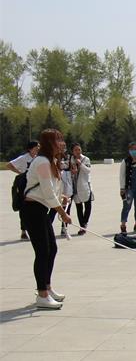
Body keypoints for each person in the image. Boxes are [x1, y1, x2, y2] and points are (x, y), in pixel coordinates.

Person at [19, 129, 72, 309]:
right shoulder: (42, 161)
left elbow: (49, 189)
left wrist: (61, 197)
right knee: (42, 251)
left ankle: (47, 288)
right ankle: (42, 294)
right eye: (58, 140)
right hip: (33, 210)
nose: (62, 143)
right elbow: (47, 192)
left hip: (41, 209)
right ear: (50, 143)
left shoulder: (51, 161)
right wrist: (63, 213)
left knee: (51, 249)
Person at [7, 140, 39, 240]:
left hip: (35, 185)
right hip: (24, 185)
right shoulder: (24, 158)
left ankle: (34, 229)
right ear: (30, 149)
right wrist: (20, 173)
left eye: (39, 147)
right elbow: (9, 165)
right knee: (23, 208)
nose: (38, 149)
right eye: (36, 147)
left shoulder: (38, 158)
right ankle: (24, 231)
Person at [119, 142, 136, 234]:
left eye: (135, 149)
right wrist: (122, 188)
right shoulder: (125, 161)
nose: (133, 151)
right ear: (129, 150)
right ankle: (123, 225)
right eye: (131, 149)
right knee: (126, 206)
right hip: (129, 188)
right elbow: (122, 175)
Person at [68, 144, 93, 235]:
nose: (78, 151)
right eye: (76, 150)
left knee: (88, 205)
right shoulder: (70, 159)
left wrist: (80, 164)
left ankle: (85, 223)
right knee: (79, 207)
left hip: (84, 186)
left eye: (79, 149)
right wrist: (72, 171)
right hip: (74, 187)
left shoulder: (86, 159)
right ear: (72, 151)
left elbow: (88, 170)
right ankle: (82, 226)